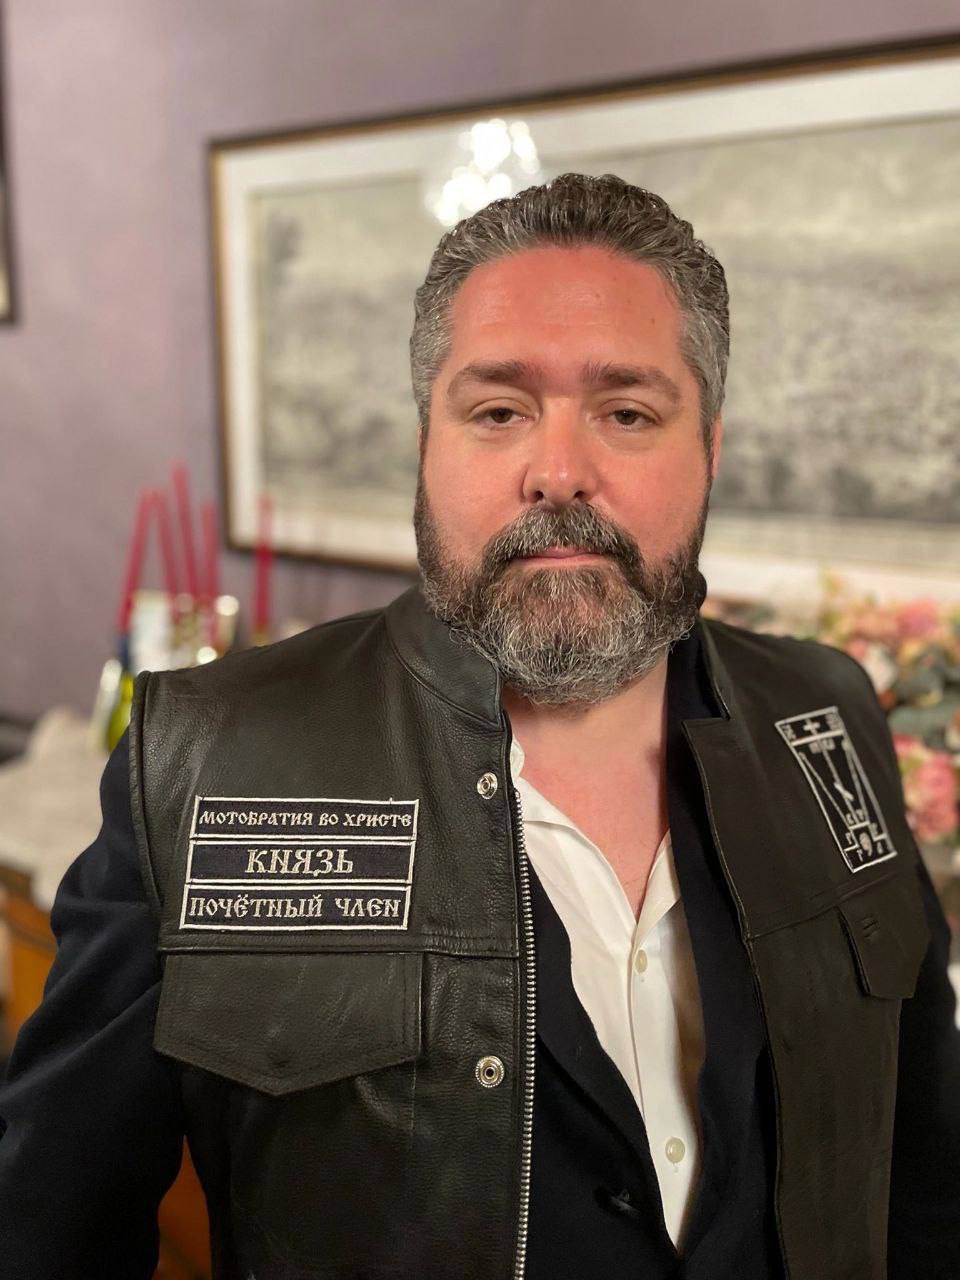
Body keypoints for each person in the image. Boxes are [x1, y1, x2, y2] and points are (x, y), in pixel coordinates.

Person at [1, 173, 958, 1280]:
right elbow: (48, 1232)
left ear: (711, 448)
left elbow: (925, 1179)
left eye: (627, 413)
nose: (558, 473)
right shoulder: (208, 760)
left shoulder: (823, 716)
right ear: (428, 444)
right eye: (499, 411)